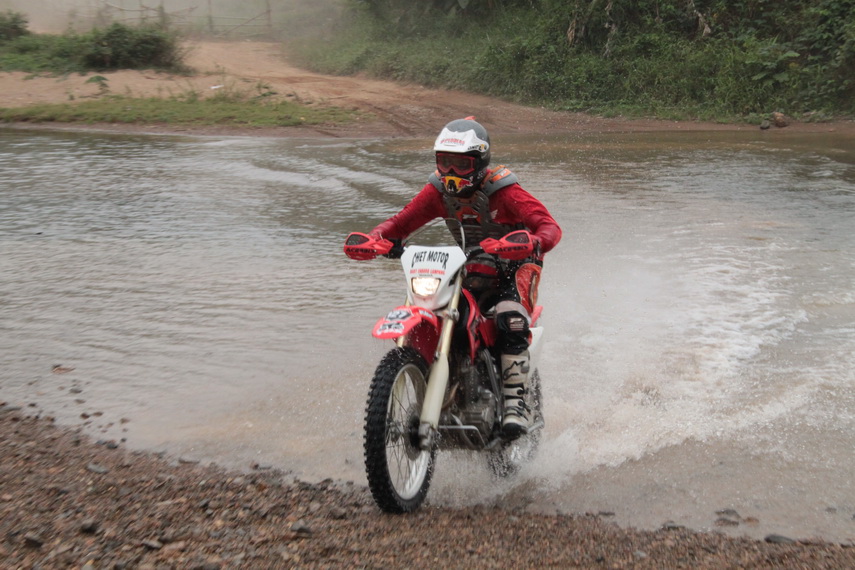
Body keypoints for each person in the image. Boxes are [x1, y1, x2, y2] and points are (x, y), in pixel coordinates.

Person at [370, 117, 562, 437]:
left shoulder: (505, 192)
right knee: (444, 309)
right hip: (473, 265)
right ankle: (444, 383)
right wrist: (375, 237)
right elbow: (401, 223)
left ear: (479, 162)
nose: (451, 172)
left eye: (460, 164)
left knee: (510, 318)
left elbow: (549, 227)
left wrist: (534, 241)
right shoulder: (436, 191)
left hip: (516, 267)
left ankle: (515, 404)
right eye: (444, 162)